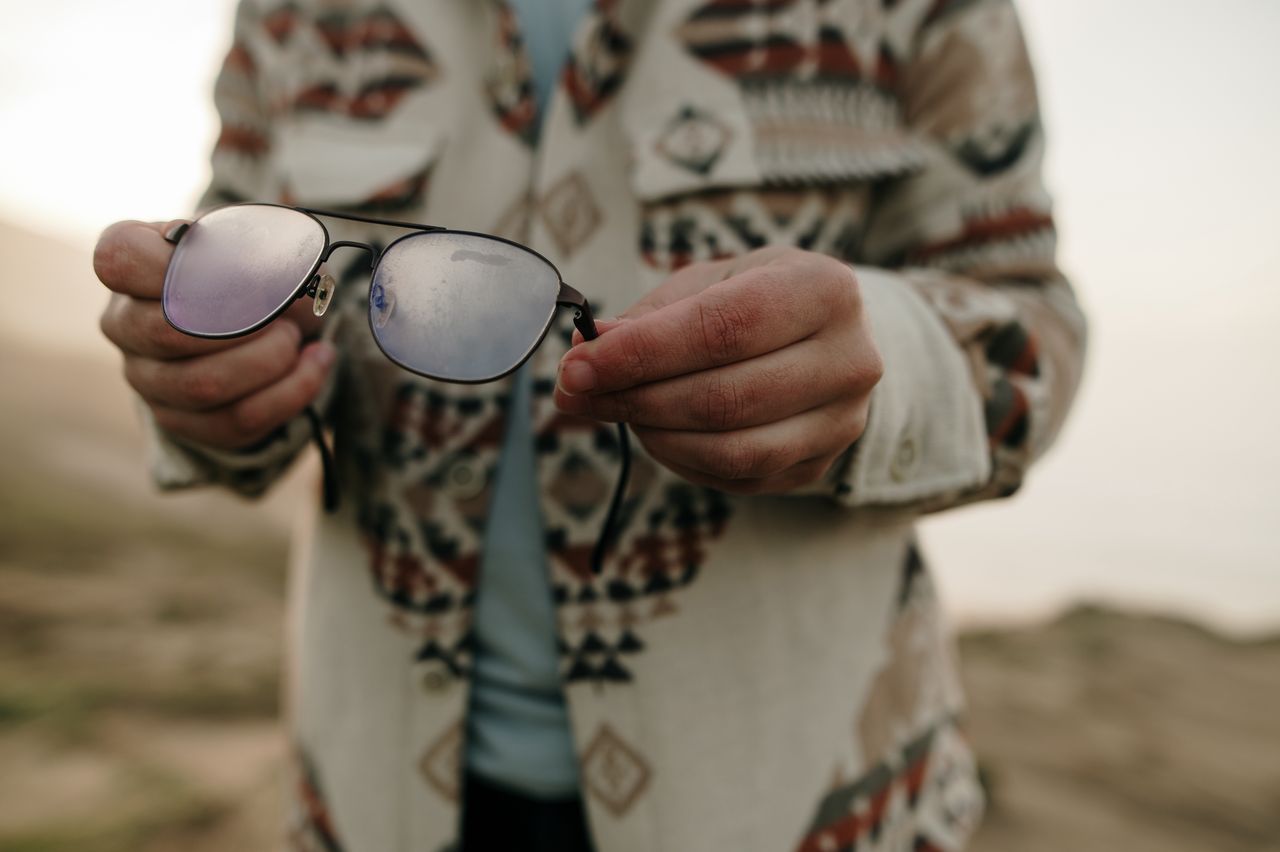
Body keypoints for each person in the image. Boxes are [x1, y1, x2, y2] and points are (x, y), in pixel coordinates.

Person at [93, 0, 1086, 849]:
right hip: (363, 799)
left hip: (806, 801)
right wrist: (202, 379)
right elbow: (230, 266)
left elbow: (1028, 315)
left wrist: (886, 365)